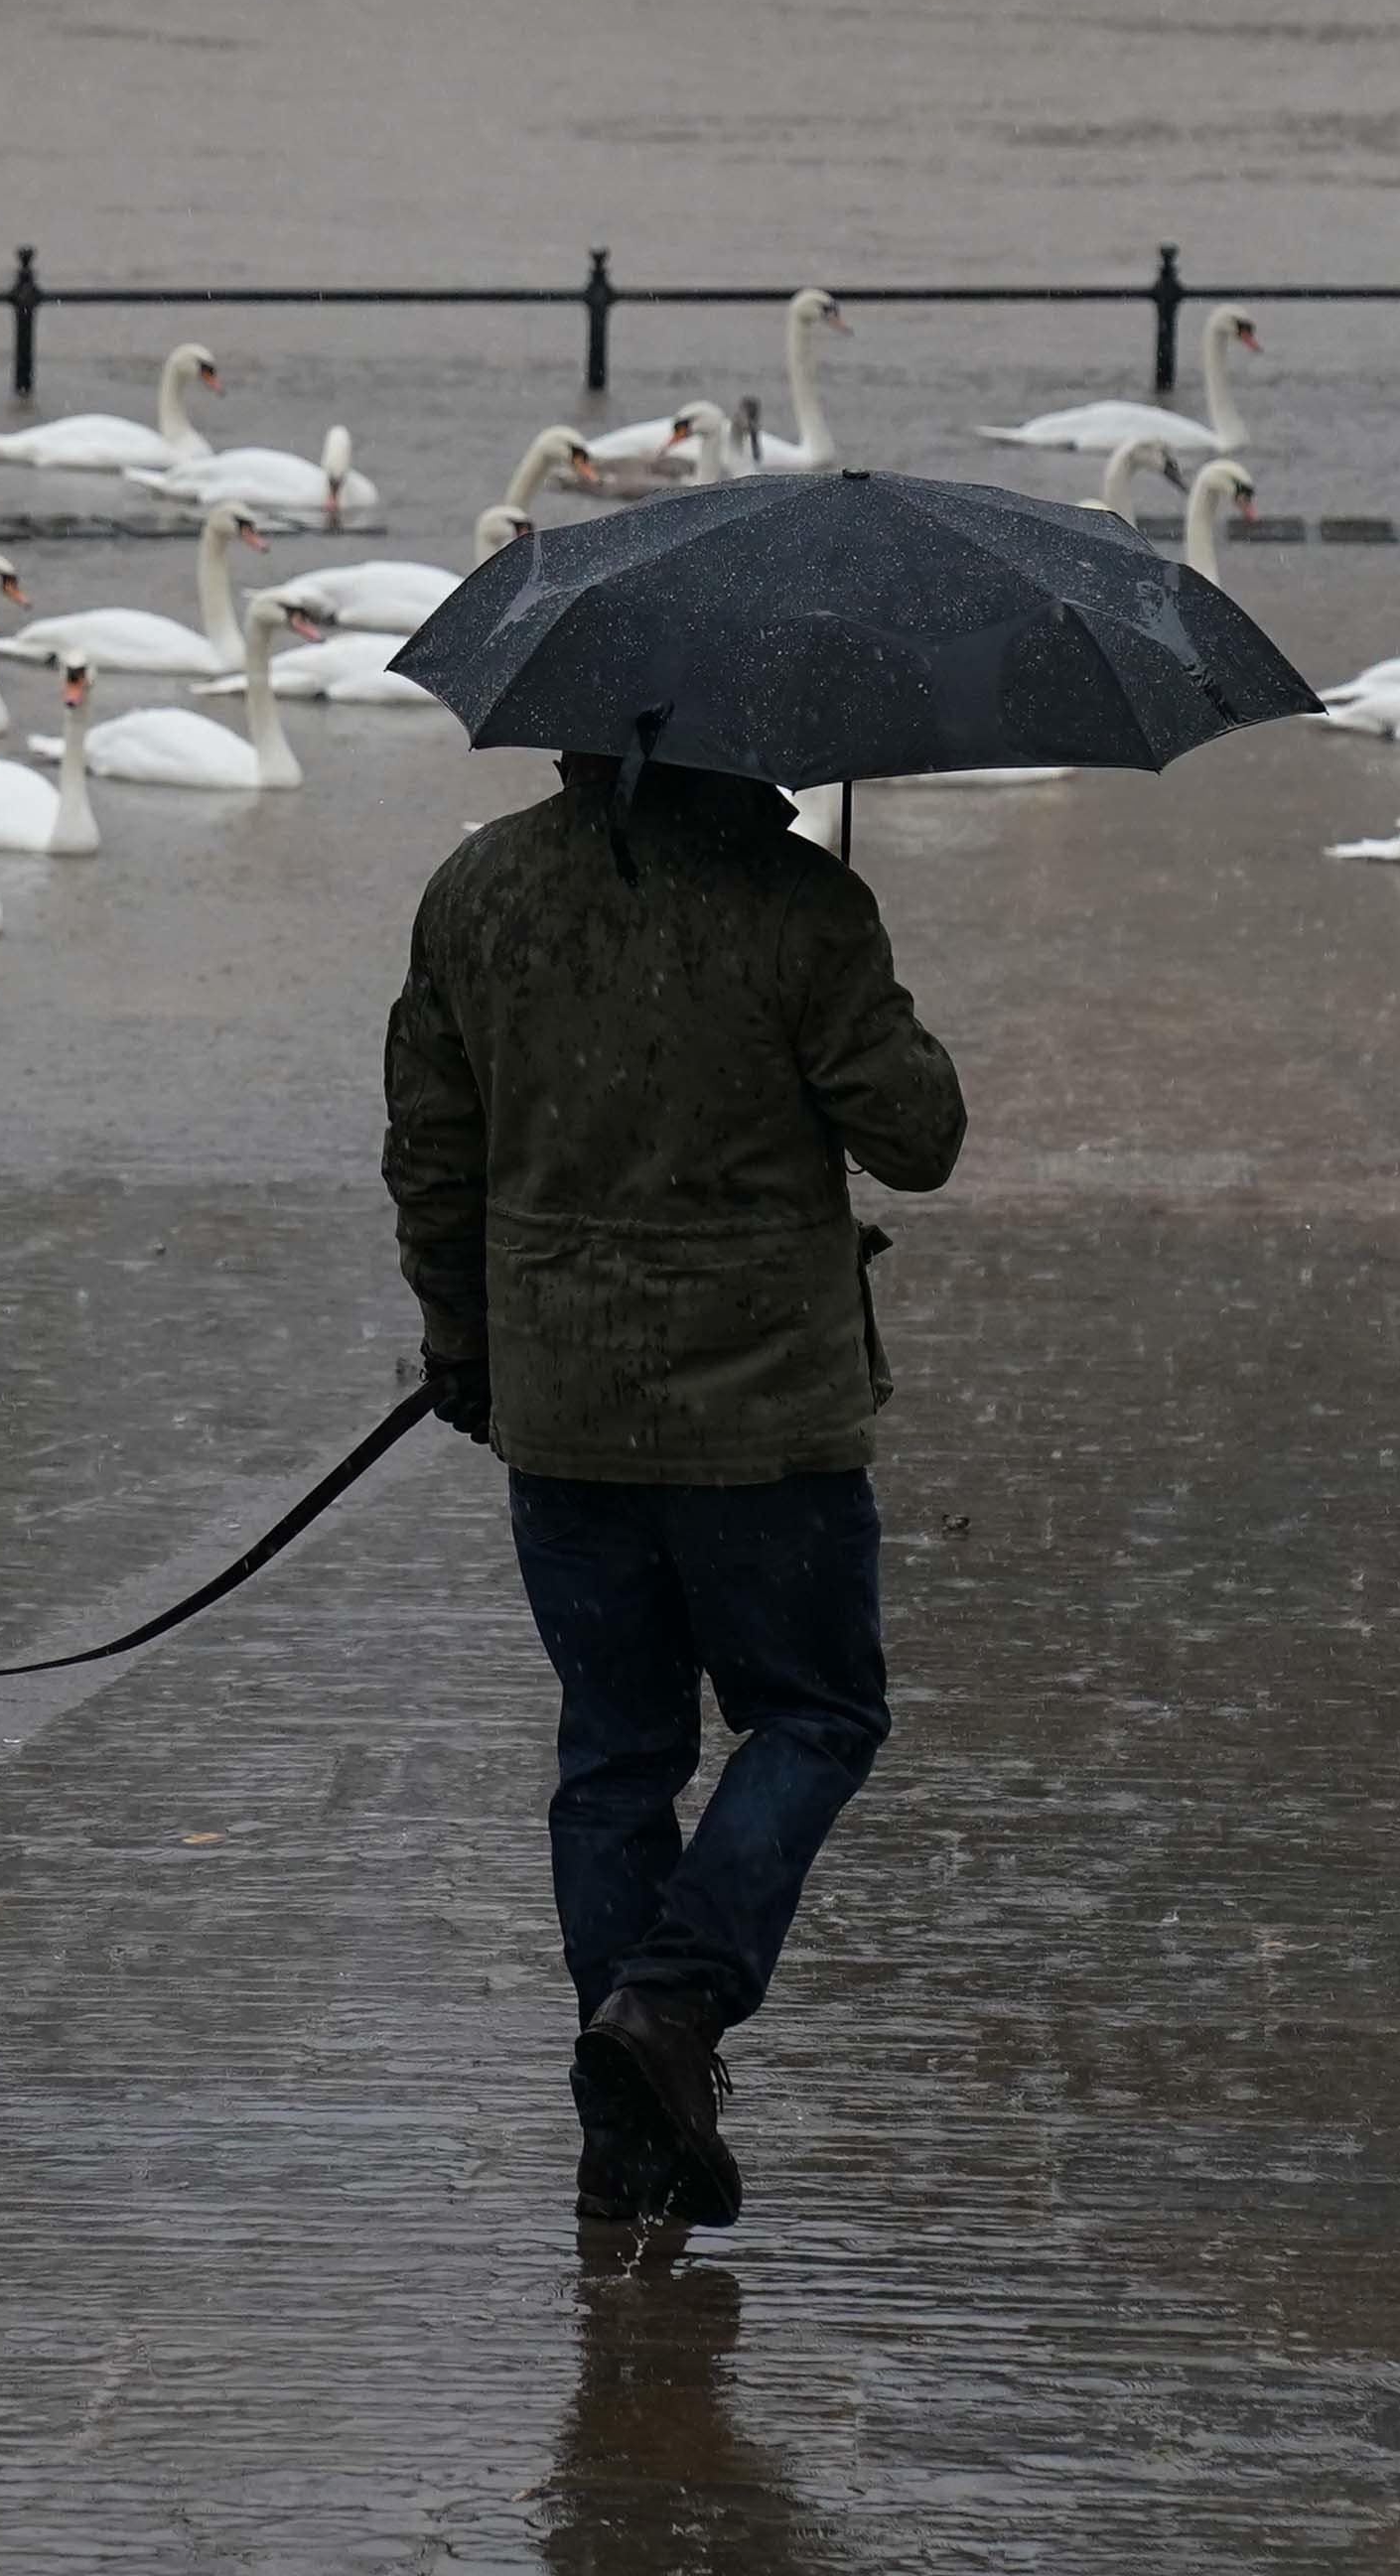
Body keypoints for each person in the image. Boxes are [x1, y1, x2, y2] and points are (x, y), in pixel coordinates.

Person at [384, 743, 967, 2232]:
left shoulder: (479, 892)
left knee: (616, 1752)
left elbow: (431, 1154)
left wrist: (463, 1340)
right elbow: (920, 1140)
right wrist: (861, 980)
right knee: (820, 1712)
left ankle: (625, 2123)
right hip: (766, 1421)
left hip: (563, 1407)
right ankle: (670, 2007)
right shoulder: (803, 908)